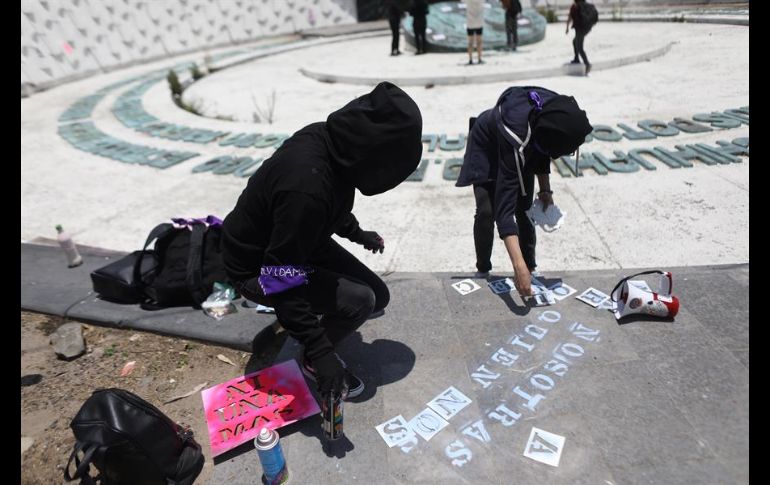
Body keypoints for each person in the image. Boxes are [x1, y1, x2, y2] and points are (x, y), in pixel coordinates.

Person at [221, 82, 422, 401]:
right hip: (256, 266)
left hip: (295, 241)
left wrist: (358, 234)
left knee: (377, 296)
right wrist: (321, 350)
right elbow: (279, 277)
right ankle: (311, 360)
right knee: (359, 302)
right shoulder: (307, 188)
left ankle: (311, 315)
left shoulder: (330, 143)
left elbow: (332, 202)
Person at [455, 86, 592, 295]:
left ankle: (531, 267)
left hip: (521, 142)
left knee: (525, 208)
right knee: (487, 211)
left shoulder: (555, 110)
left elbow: (542, 148)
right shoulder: (517, 138)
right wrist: (517, 267)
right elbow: (504, 212)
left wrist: (545, 191)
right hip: (487, 146)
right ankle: (483, 269)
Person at [566, 0, 591, 74]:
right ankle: (576, 58)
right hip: (583, 28)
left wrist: (567, 27)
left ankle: (587, 64)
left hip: (580, 29)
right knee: (574, 42)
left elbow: (570, 17)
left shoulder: (576, 6)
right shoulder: (582, 6)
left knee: (579, 47)